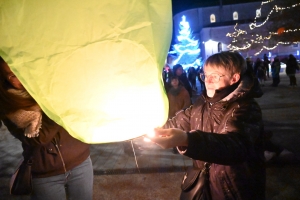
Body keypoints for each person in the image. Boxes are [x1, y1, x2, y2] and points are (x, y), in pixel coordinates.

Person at [146, 51, 265, 200]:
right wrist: (153, 127)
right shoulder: (204, 102)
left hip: (233, 187)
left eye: (214, 76)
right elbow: (184, 119)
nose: (207, 80)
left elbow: (236, 146)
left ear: (234, 78)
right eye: (205, 75)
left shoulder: (245, 108)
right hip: (206, 182)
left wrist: (187, 140)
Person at [0, 56, 93, 200]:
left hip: (80, 163)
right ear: (5, 79)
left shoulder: (52, 85)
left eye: (20, 69)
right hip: (45, 175)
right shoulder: (10, 107)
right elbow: (39, 138)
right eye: (12, 75)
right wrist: (55, 104)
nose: (20, 77)